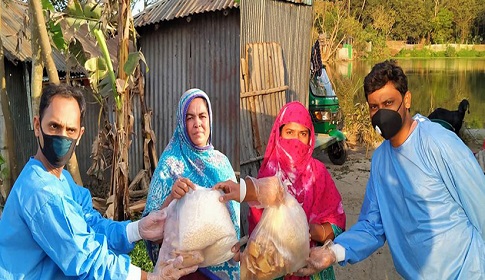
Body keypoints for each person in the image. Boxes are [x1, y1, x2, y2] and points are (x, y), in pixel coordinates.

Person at [297, 60, 485, 279]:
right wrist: (332, 253)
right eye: (374, 107)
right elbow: (372, 226)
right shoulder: (380, 161)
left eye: (388, 103)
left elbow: (480, 205)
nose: (380, 113)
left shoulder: (439, 144)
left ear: (406, 100)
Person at [0, 84, 200, 279]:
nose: (62, 136)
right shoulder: (40, 192)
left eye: (70, 130)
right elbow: (84, 257)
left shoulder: (60, 179)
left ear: (80, 135)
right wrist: (149, 277)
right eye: (54, 126)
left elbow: (90, 223)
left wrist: (137, 229)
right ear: (37, 126)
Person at [143, 88, 240, 280]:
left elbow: (234, 222)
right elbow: (150, 229)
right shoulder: (170, 163)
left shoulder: (222, 163)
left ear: (210, 119)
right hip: (183, 271)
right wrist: (172, 197)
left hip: (220, 269)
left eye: (202, 116)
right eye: (190, 118)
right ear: (181, 123)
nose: (197, 124)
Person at [247, 101, 346, 280]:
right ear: (279, 134)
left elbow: (337, 223)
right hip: (274, 271)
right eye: (289, 133)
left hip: (311, 267)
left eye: (302, 134)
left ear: (310, 138)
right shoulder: (267, 176)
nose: (296, 141)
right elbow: (257, 231)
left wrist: (316, 231)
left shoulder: (318, 173)